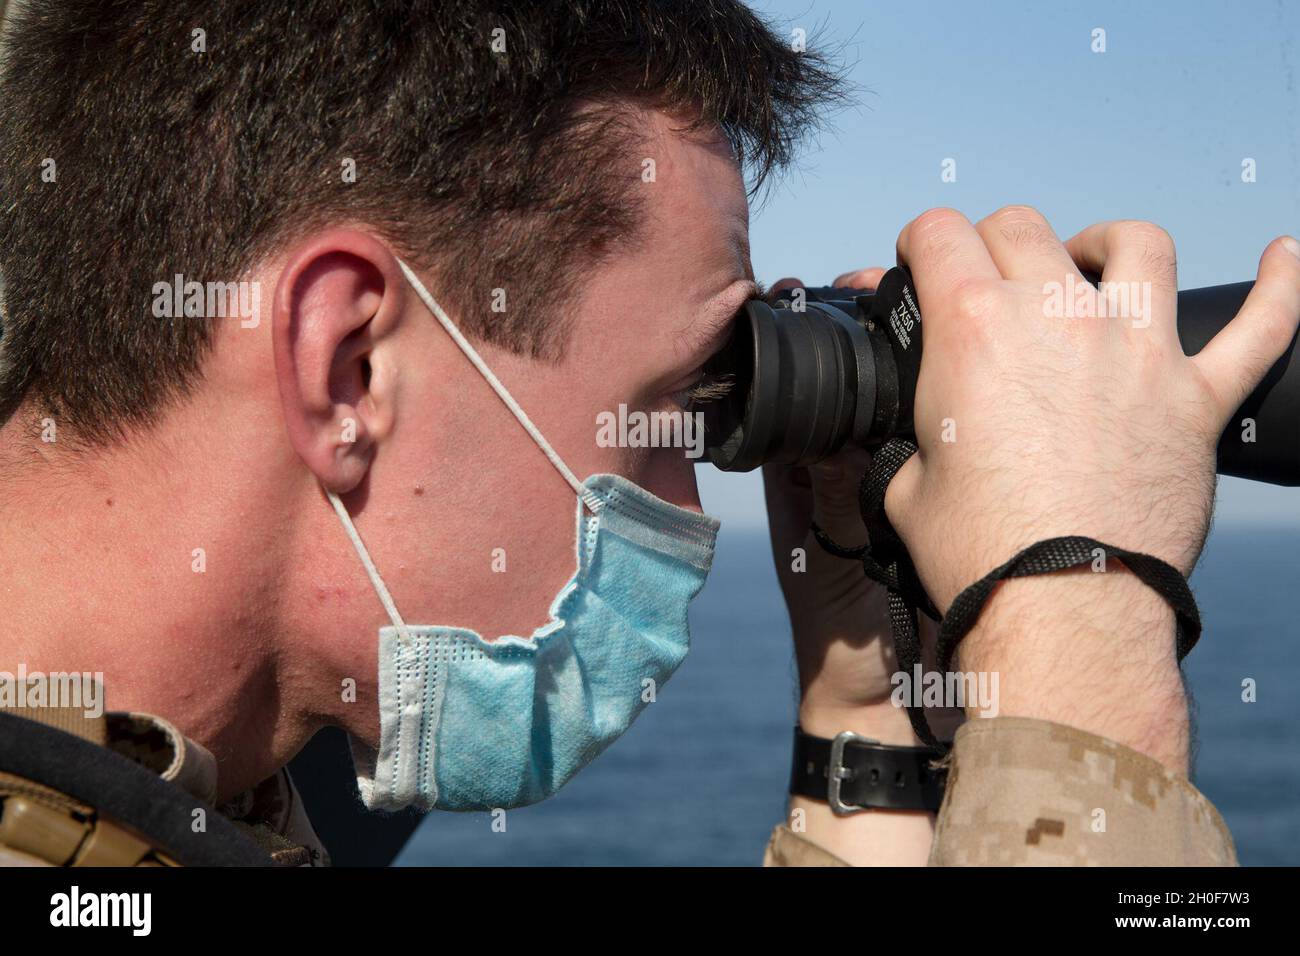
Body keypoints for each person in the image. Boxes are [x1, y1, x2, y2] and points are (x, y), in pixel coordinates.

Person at [0, 0, 1294, 867]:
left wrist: (866, 734)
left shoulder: (170, 807)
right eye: (678, 402)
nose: (699, 493)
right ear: (346, 369)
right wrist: (1079, 603)